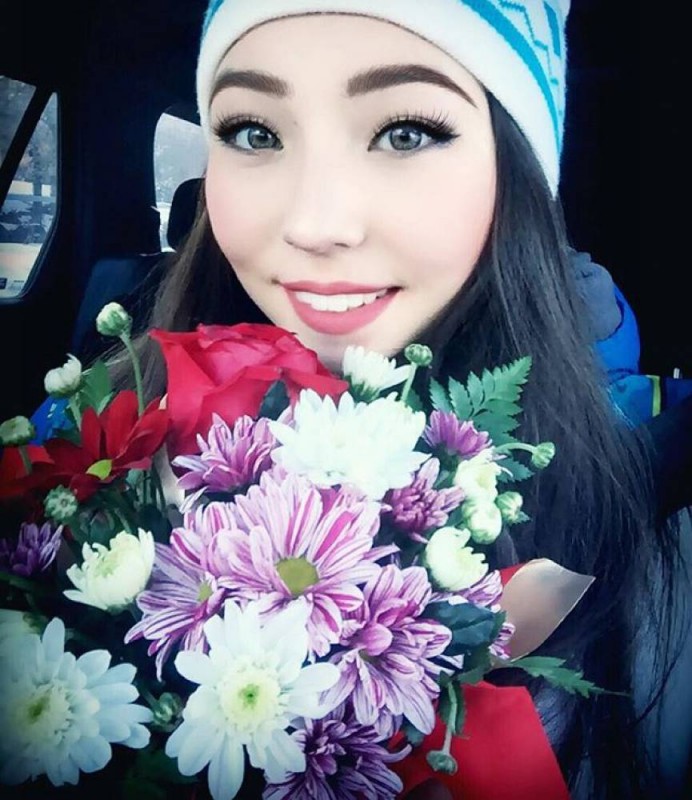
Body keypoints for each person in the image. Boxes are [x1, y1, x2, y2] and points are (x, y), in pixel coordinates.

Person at [101, 2, 691, 798]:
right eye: (254, 132)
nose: (315, 224)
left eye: (406, 133)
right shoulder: (93, 446)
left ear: (516, 166)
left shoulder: (653, 534)